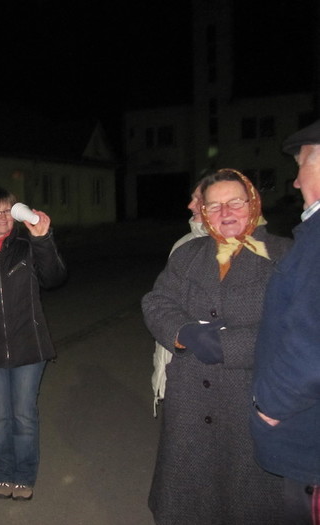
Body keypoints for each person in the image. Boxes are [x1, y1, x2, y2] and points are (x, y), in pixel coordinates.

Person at [141, 168, 291, 524]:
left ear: (253, 202)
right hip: (191, 404)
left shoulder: (284, 255)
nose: (225, 213)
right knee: (191, 501)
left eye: (235, 202)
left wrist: (229, 345)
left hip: (252, 402)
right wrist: (184, 333)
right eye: (214, 206)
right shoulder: (189, 253)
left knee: (248, 500)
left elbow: (297, 328)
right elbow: (156, 301)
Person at [0, 188, 66, 501]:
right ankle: (3, 474)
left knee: (24, 416)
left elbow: (55, 278)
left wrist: (43, 240)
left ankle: (25, 476)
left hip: (29, 345)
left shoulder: (27, 247)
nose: (3, 217)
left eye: (7, 210)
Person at [251, 118, 320, 524]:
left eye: (303, 164)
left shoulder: (302, 242)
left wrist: (269, 404)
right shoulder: (187, 252)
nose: (295, 182)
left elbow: (311, 345)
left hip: (308, 439)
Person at [151, 181, 208, 416]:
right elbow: (161, 303)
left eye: (198, 199)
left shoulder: (249, 249)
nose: (190, 205)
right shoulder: (184, 245)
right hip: (180, 367)